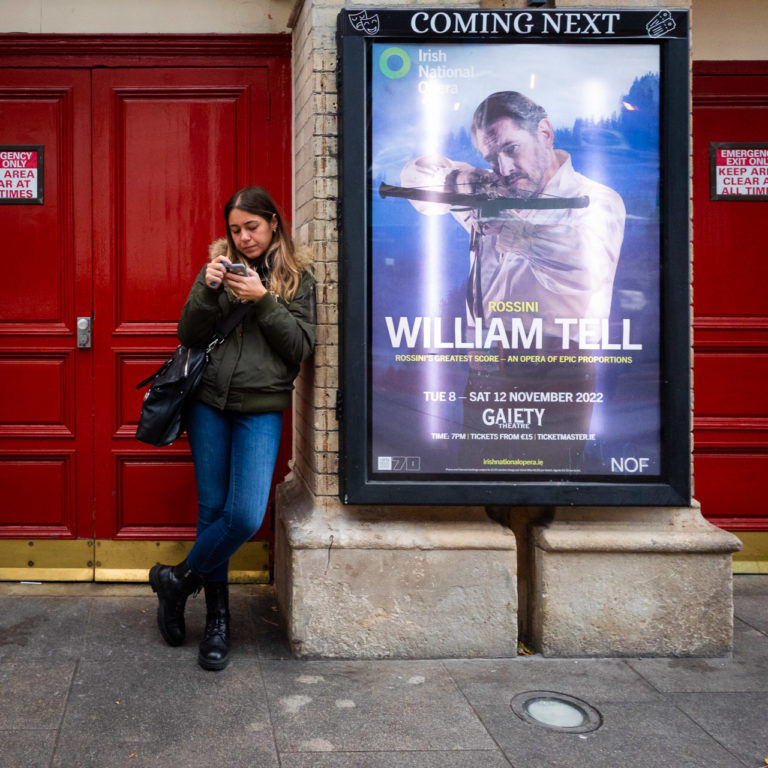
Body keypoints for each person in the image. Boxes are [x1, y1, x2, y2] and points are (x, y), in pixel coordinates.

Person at [400, 91, 626, 470]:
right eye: (492, 158)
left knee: (547, 492)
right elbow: (414, 180)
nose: (505, 167)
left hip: (556, 375)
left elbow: (581, 265)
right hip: (486, 369)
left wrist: (513, 227)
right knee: (478, 488)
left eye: (511, 148)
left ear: (546, 133)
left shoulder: (596, 200)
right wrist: (463, 180)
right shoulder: (496, 189)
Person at [149, 186, 316, 670]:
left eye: (253, 228)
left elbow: (300, 347)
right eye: (236, 229)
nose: (243, 238)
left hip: (260, 407)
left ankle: (177, 581)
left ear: (273, 224)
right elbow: (189, 333)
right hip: (208, 405)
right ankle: (218, 618)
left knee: (243, 515)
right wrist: (207, 287)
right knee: (213, 509)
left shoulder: (296, 276)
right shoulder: (218, 269)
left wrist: (264, 300)